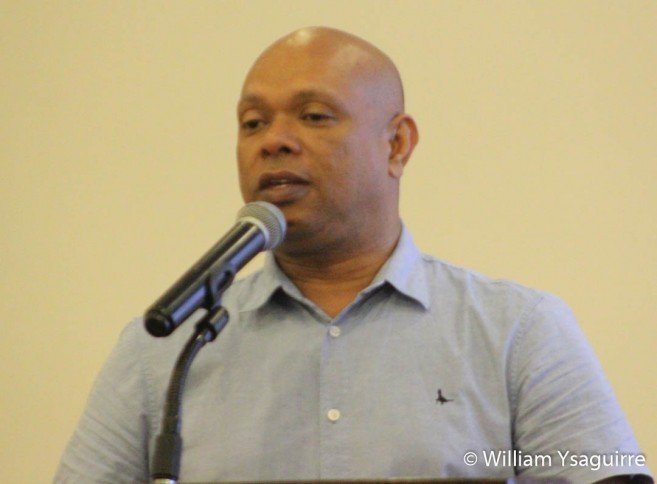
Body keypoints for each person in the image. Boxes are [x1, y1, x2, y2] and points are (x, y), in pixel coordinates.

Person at [55, 27, 652, 483]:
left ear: (397, 145)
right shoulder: (165, 349)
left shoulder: (518, 331)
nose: (273, 141)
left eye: (313, 116)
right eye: (252, 122)